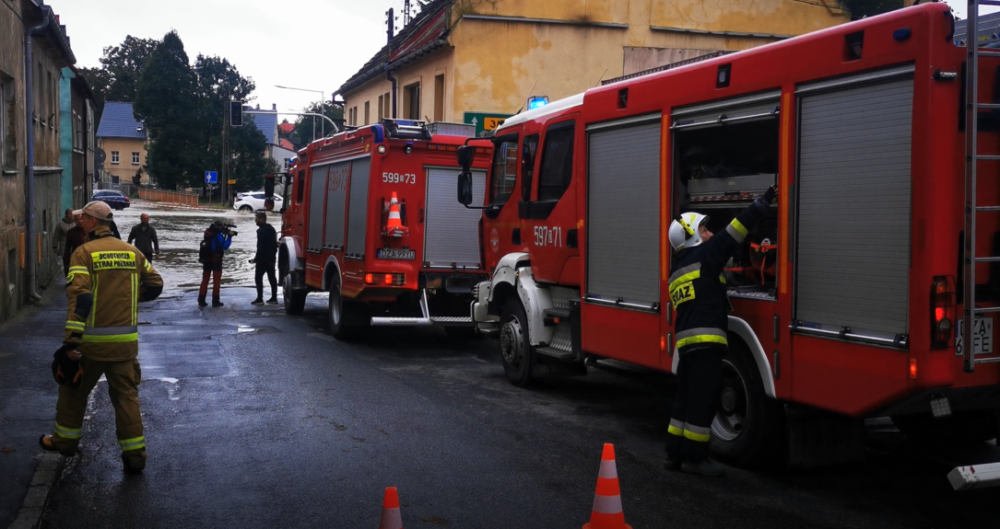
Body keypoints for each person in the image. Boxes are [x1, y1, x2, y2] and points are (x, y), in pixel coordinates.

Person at [39, 201, 163, 473]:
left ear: (94, 222)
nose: (79, 222)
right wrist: (131, 298)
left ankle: (64, 444)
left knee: (73, 392)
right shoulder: (132, 252)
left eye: (83, 218)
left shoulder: (83, 254)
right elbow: (156, 285)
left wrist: (71, 341)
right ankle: (135, 458)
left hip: (91, 347)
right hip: (125, 348)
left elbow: (81, 299)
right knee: (127, 399)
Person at [664, 186, 776, 477]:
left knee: (685, 399)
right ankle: (696, 459)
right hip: (706, 343)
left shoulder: (677, 270)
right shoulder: (706, 256)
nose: (710, 234)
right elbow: (734, 232)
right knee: (704, 399)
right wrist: (762, 204)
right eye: (703, 230)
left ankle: (674, 454)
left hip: (686, 345)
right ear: (691, 237)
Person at [198, 221, 233, 308]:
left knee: (205, 280)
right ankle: (215, 301)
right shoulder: (218, 236)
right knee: (216, 281)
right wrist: (229, 237)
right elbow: (225, 246)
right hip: (216, 260)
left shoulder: (208, 234)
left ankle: (201, 300)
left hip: (206, 259)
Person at [250, 212, 278, 305]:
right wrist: (273, 258)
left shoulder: (261, 231)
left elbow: (260, 247)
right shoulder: (272, 229)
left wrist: (256, 259)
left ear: (262, 219)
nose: (255, 221)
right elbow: (274, 244)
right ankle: (274, 298)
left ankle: (260, 298)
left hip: (262, 259)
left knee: (258, 278)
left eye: (257, 219)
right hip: (271, 258)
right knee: (272, 278)